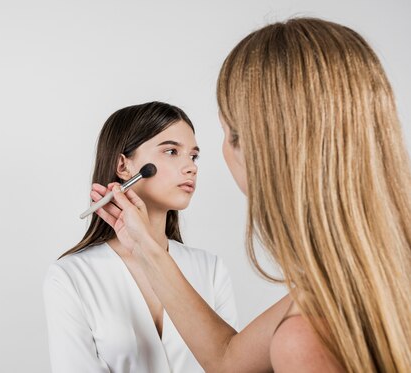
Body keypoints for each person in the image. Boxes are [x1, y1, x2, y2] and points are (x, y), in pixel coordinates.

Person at [92, 18, 411, 372]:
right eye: (171, 151)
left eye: (227, 132)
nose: (192, 165)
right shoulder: (361, 280)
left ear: (262, 148)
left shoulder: (304, 336)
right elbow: (228, 359)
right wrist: (147, 247)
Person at [43, 101, 239, 372]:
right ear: (123, 166)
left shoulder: (211, 269)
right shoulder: (71, 276)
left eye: (193, 156)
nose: (191, 167)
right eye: (171, 151)